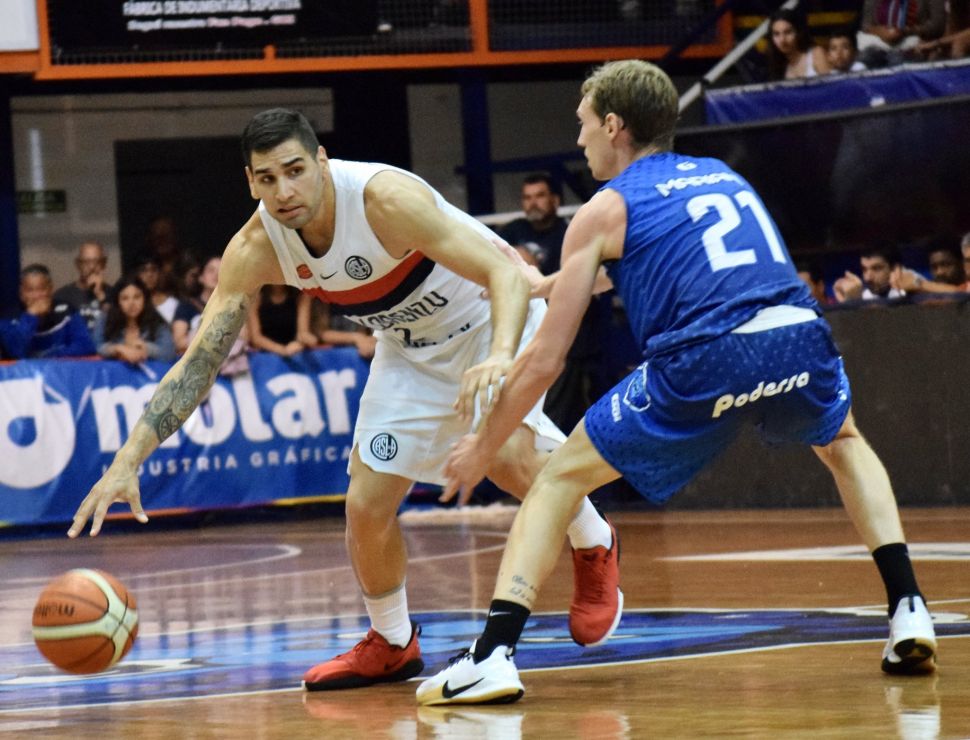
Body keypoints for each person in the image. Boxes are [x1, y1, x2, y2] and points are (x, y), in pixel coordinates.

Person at [417, 60, 937, 706]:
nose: (579, 139)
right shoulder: (721, 175)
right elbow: (659, 261)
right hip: (796, 333)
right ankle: (909, 607)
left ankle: (493, 654)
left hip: (707, 357)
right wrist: (549, 283)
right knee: (844, 442)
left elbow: (546, 361)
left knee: (556, 481)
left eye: (583, 124)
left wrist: (484, 444)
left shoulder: (603, 210)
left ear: (613, 125)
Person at [67, 108, 618, 693]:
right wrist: (129, 457)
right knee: (366, 504)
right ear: (250, 182)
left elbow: (504, 275)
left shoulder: (384, 200)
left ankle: (594, 540)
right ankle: (392, 641)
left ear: (322, 162)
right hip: (407, 347)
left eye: (295, 171)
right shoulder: (256, 247)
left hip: (492, 320)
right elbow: (199, 362)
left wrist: (500, 356)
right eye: (267, 178)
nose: (284, 191)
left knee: (506, 457)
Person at [0, 264, 96, 360]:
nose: (37, 296)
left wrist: (50, 356)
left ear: (50, 289)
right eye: (30, 290)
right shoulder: (9, 317)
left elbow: (86, 345)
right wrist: (31, 316)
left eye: (41, 289)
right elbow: (16, 351)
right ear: (21, 293)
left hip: (59, 367)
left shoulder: (66, 311)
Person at [93, 275, 175, 364]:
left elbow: (169, 353)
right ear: (118, 302)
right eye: (125, 298)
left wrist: (145, 347)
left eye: (137, 297)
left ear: (144, 299)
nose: (131, 303)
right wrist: (117, 349)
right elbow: (96, 347)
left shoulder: (155, 319)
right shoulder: (105, 318)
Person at [497, 174, 568, 276]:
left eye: (540, 196)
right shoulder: (513, 230)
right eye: (527, 197)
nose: (533, 203)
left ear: (555, 200)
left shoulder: (568, 232)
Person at [857, 0, 946, 67]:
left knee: (896, 62)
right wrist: (879, 31)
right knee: (862, 61)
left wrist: (905, 31)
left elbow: (937, 25)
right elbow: (864, 23)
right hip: (877, 43)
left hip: (913, 44)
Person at [53, 241, 113, 334]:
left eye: (97, 262)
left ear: (104, 264)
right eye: (86, 262)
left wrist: (100, 295)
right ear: (78, 264)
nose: (92, 267)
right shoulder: (62, 296)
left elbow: (116, 325)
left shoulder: (114, 293)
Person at [247, 284, 317, 357]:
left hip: (294, 350)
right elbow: (256, 338)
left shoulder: (301, 295)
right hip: (265, 354)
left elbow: (302, 332)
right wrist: (283, 350)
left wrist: (304, 340)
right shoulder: (256, 296)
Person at [765, 8, 831, 80]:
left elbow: (831, 85)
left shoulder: (816, 54)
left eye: (788, 32)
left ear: (799, 33)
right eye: (776, 34)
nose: (782, 40)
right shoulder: (778, 66)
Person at [833, 245, 906, 302]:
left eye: (876, 269)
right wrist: (849, 304)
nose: (867, 278)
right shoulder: (862, 296)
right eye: (864, 269)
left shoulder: (907, 295)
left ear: (894, 269)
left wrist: (856, 303)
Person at [134, 255, 180, 324]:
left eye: (153, 270)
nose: (149, 275)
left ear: (160, 273)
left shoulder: (173, 304)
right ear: (137, 274)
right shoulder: (132, 304)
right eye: (143, 270)